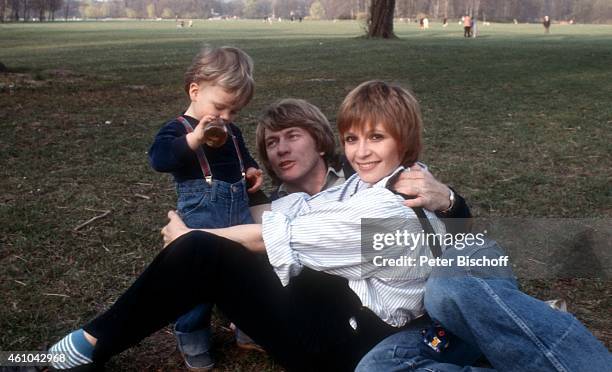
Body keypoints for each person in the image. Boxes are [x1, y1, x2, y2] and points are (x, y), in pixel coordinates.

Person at [46, 81, 455, 371]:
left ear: (319, 141)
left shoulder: (382, 192)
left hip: (354, 342)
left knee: (200, 250)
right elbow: (268, 231)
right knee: (208, 253)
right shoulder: (308, 196)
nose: (281, 149)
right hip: (328, 315)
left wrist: (192, 238)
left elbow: (272, 237)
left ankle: (81, 348)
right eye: (271, 145)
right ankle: (88, 345)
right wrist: (250, 192)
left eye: (291, 136)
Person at [147, 46, 264, 370]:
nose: (226, 118)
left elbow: (242, 157)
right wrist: (194, 139)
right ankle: (191, 333)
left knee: (244, 272)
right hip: (200, 216)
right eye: (220, 107)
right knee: (195, 282)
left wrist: (252, 170)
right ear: (195, 91)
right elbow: (160, 159)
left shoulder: (232, 131)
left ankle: (244, 326)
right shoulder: (177, 130)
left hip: (237, 213)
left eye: (234, 112)